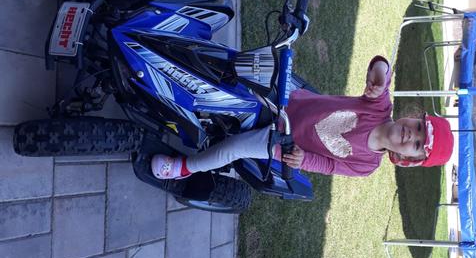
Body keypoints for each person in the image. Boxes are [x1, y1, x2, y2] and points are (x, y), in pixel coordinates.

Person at [151, 56, 454, 179]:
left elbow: (331, 165)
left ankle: (185, 168)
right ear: (413, 118)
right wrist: (379, 74)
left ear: (407, 159)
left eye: (417, 144)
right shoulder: (379, 106)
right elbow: (381, 67)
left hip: (284, 142)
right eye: (418, 127)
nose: (411, 135)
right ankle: (188, 57)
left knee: (234, 148)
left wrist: (303, 160)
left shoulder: (366, 165)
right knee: (245, 68)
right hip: (290, 101)